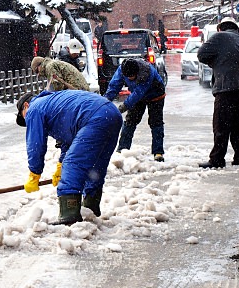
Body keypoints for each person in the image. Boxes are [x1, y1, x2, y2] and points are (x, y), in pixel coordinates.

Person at [16, 89, 123, 224]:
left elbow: (35, 144)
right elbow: (69, 140)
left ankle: (69, 214)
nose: (26, 120)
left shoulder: (34, 108)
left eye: (23, 116)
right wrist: (60, 166)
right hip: (111, 113)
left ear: (26, 105)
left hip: (94, 118)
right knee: (96, 165)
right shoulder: (53, 103)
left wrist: (34, 173)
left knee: (73, 164)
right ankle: (91, 208)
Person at [196, 17, 239, 168]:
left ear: (220, 28)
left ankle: (217, 159)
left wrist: (215, 63)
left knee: (221, 126)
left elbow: (201, 54)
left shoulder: (220, 37)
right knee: (238, 126)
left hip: (226, 89)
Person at [103, 57, 166, 161]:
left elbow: (138, 94)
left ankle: (158, 152)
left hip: (156, 95)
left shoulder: (147, 72)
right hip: (137, 96)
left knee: (156, 122)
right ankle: (122, 150)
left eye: (132, 76)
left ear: (137, 73)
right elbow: (114, 86)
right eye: (128, 77)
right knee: (130, 121)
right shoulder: (122, 70)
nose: (130, 78)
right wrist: (105, 101)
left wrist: (122, 107)